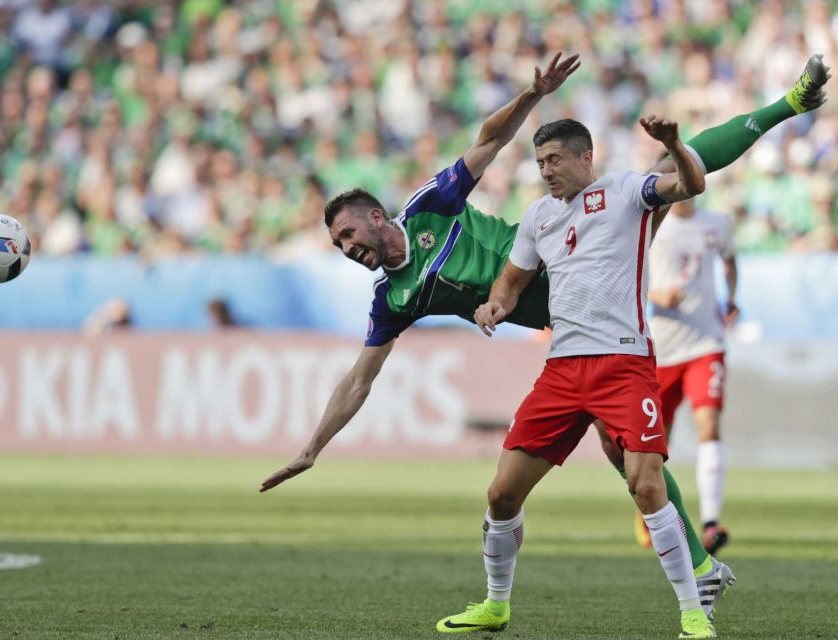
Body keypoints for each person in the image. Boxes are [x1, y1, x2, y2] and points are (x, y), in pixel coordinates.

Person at [260, 53, 829, 629]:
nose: (347, 248)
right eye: (337, 245)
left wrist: (534, 94)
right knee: (618, 457)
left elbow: (489, 139)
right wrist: (313, 446)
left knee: (670, 172)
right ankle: (699, 568)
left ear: (377, 218)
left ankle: (789, 104)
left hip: (586, 268)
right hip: (570, 324)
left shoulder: (430, 206)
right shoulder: (395, 298)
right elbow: (361, 378)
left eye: (349, 234)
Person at [442, 114, 712, 637]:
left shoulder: (628, 191)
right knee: (501, 495)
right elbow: (511, 280)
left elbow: (691, 183)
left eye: (555, 160)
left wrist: (673, 143)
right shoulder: (538, 216)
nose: (546, 170)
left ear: (586, 157)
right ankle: (496, 605)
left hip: (623, 363)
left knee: (646, 485)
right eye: (540, 162)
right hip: (562, 371)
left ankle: (693, 613)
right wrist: (495, 306)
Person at [640, 197, 738, 557]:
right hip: (662, 349)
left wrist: (732, 299)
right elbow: (627, 272)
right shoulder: (653, 225)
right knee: (653, 442)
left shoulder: (717, 223)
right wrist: (656, 294)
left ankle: (711, 522)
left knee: (709, 425)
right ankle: (650, 509)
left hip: (705, 343)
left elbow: (730, 260)